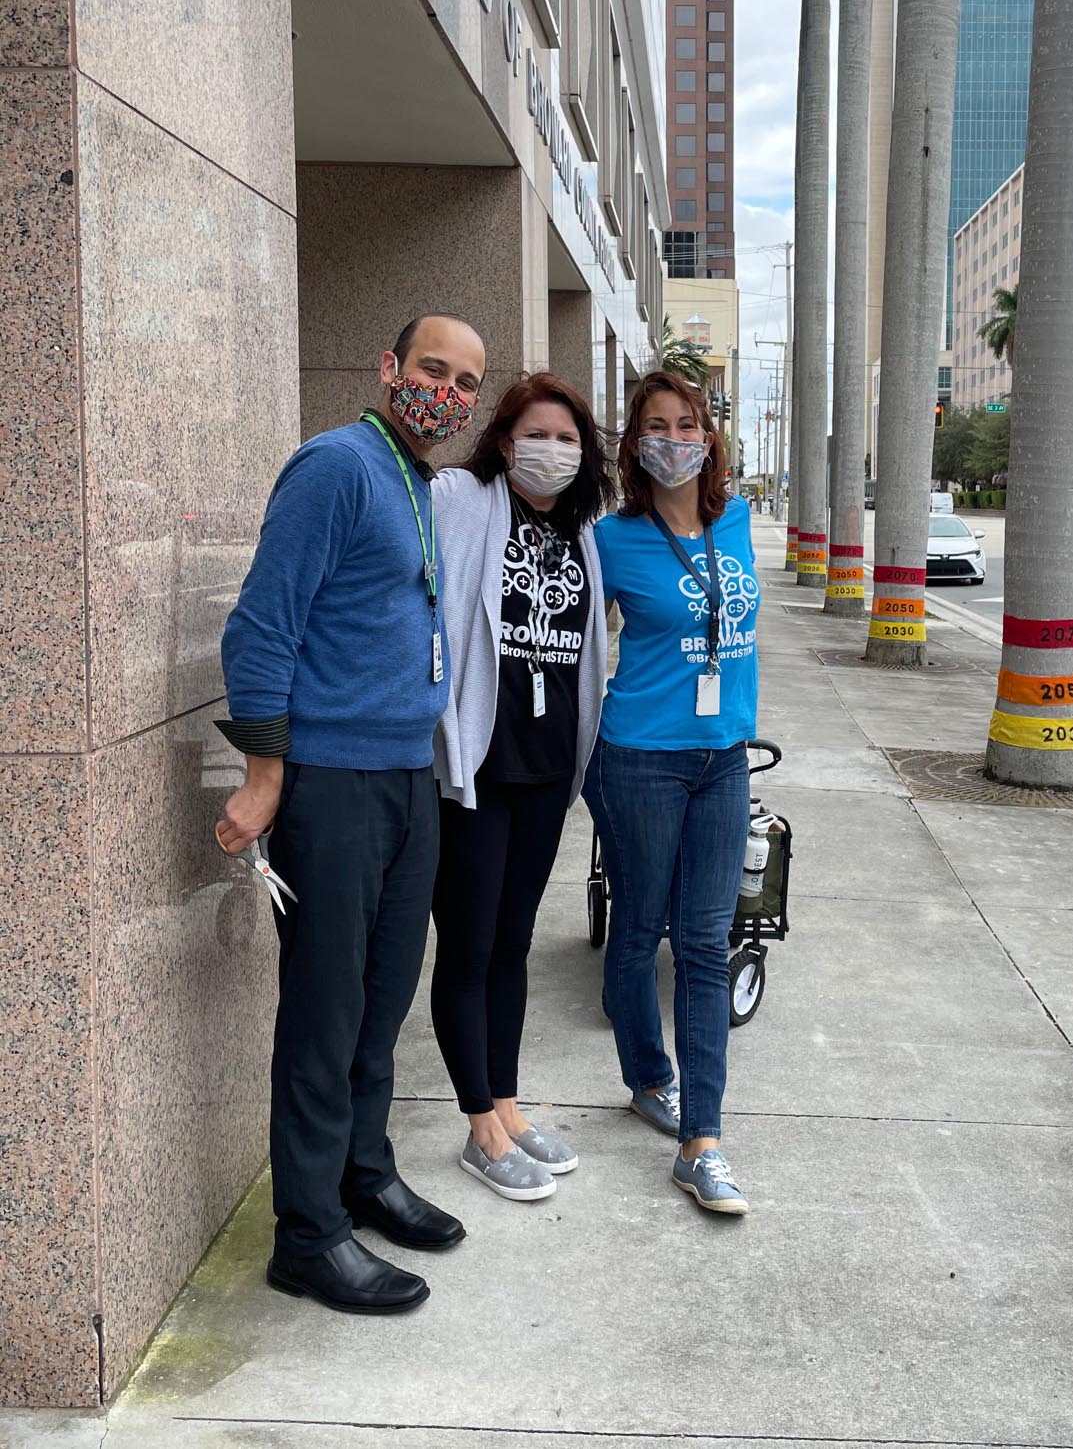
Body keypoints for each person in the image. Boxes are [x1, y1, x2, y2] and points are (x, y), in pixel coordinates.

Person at [215, 314, 487, 1315]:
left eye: (465, 381)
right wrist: (265, 777)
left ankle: (362, 1175)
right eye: (431, 370)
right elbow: (261, 627)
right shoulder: (334, 467)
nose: (447, 393)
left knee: (381, 1003)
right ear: (387, 367)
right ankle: (308, 1232)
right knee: (326, 1015)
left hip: (404, 777)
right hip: (329, 786)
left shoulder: (415, 483)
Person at [430, 372, 612, 1201]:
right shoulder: (464, 500)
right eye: (538, 434)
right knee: (467, 948)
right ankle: (477, 1129)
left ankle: (505, 1104)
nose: (554, 451)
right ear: (505, 442)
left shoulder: (583, 532)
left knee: (513, 946)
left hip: (545, 772)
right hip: (474, 771)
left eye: (570, 439)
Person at [585, 370, 761, 1216]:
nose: (675, 438)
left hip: (723, 759)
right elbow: (581, 655)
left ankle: (704, 1142)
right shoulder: (612, 539)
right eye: (657, 425)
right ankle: (647, 1077)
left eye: (688, 423)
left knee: (703, 943)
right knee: (637, 928)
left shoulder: (742, 525)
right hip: (641, 758)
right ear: (635, 442)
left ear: (711, 436)